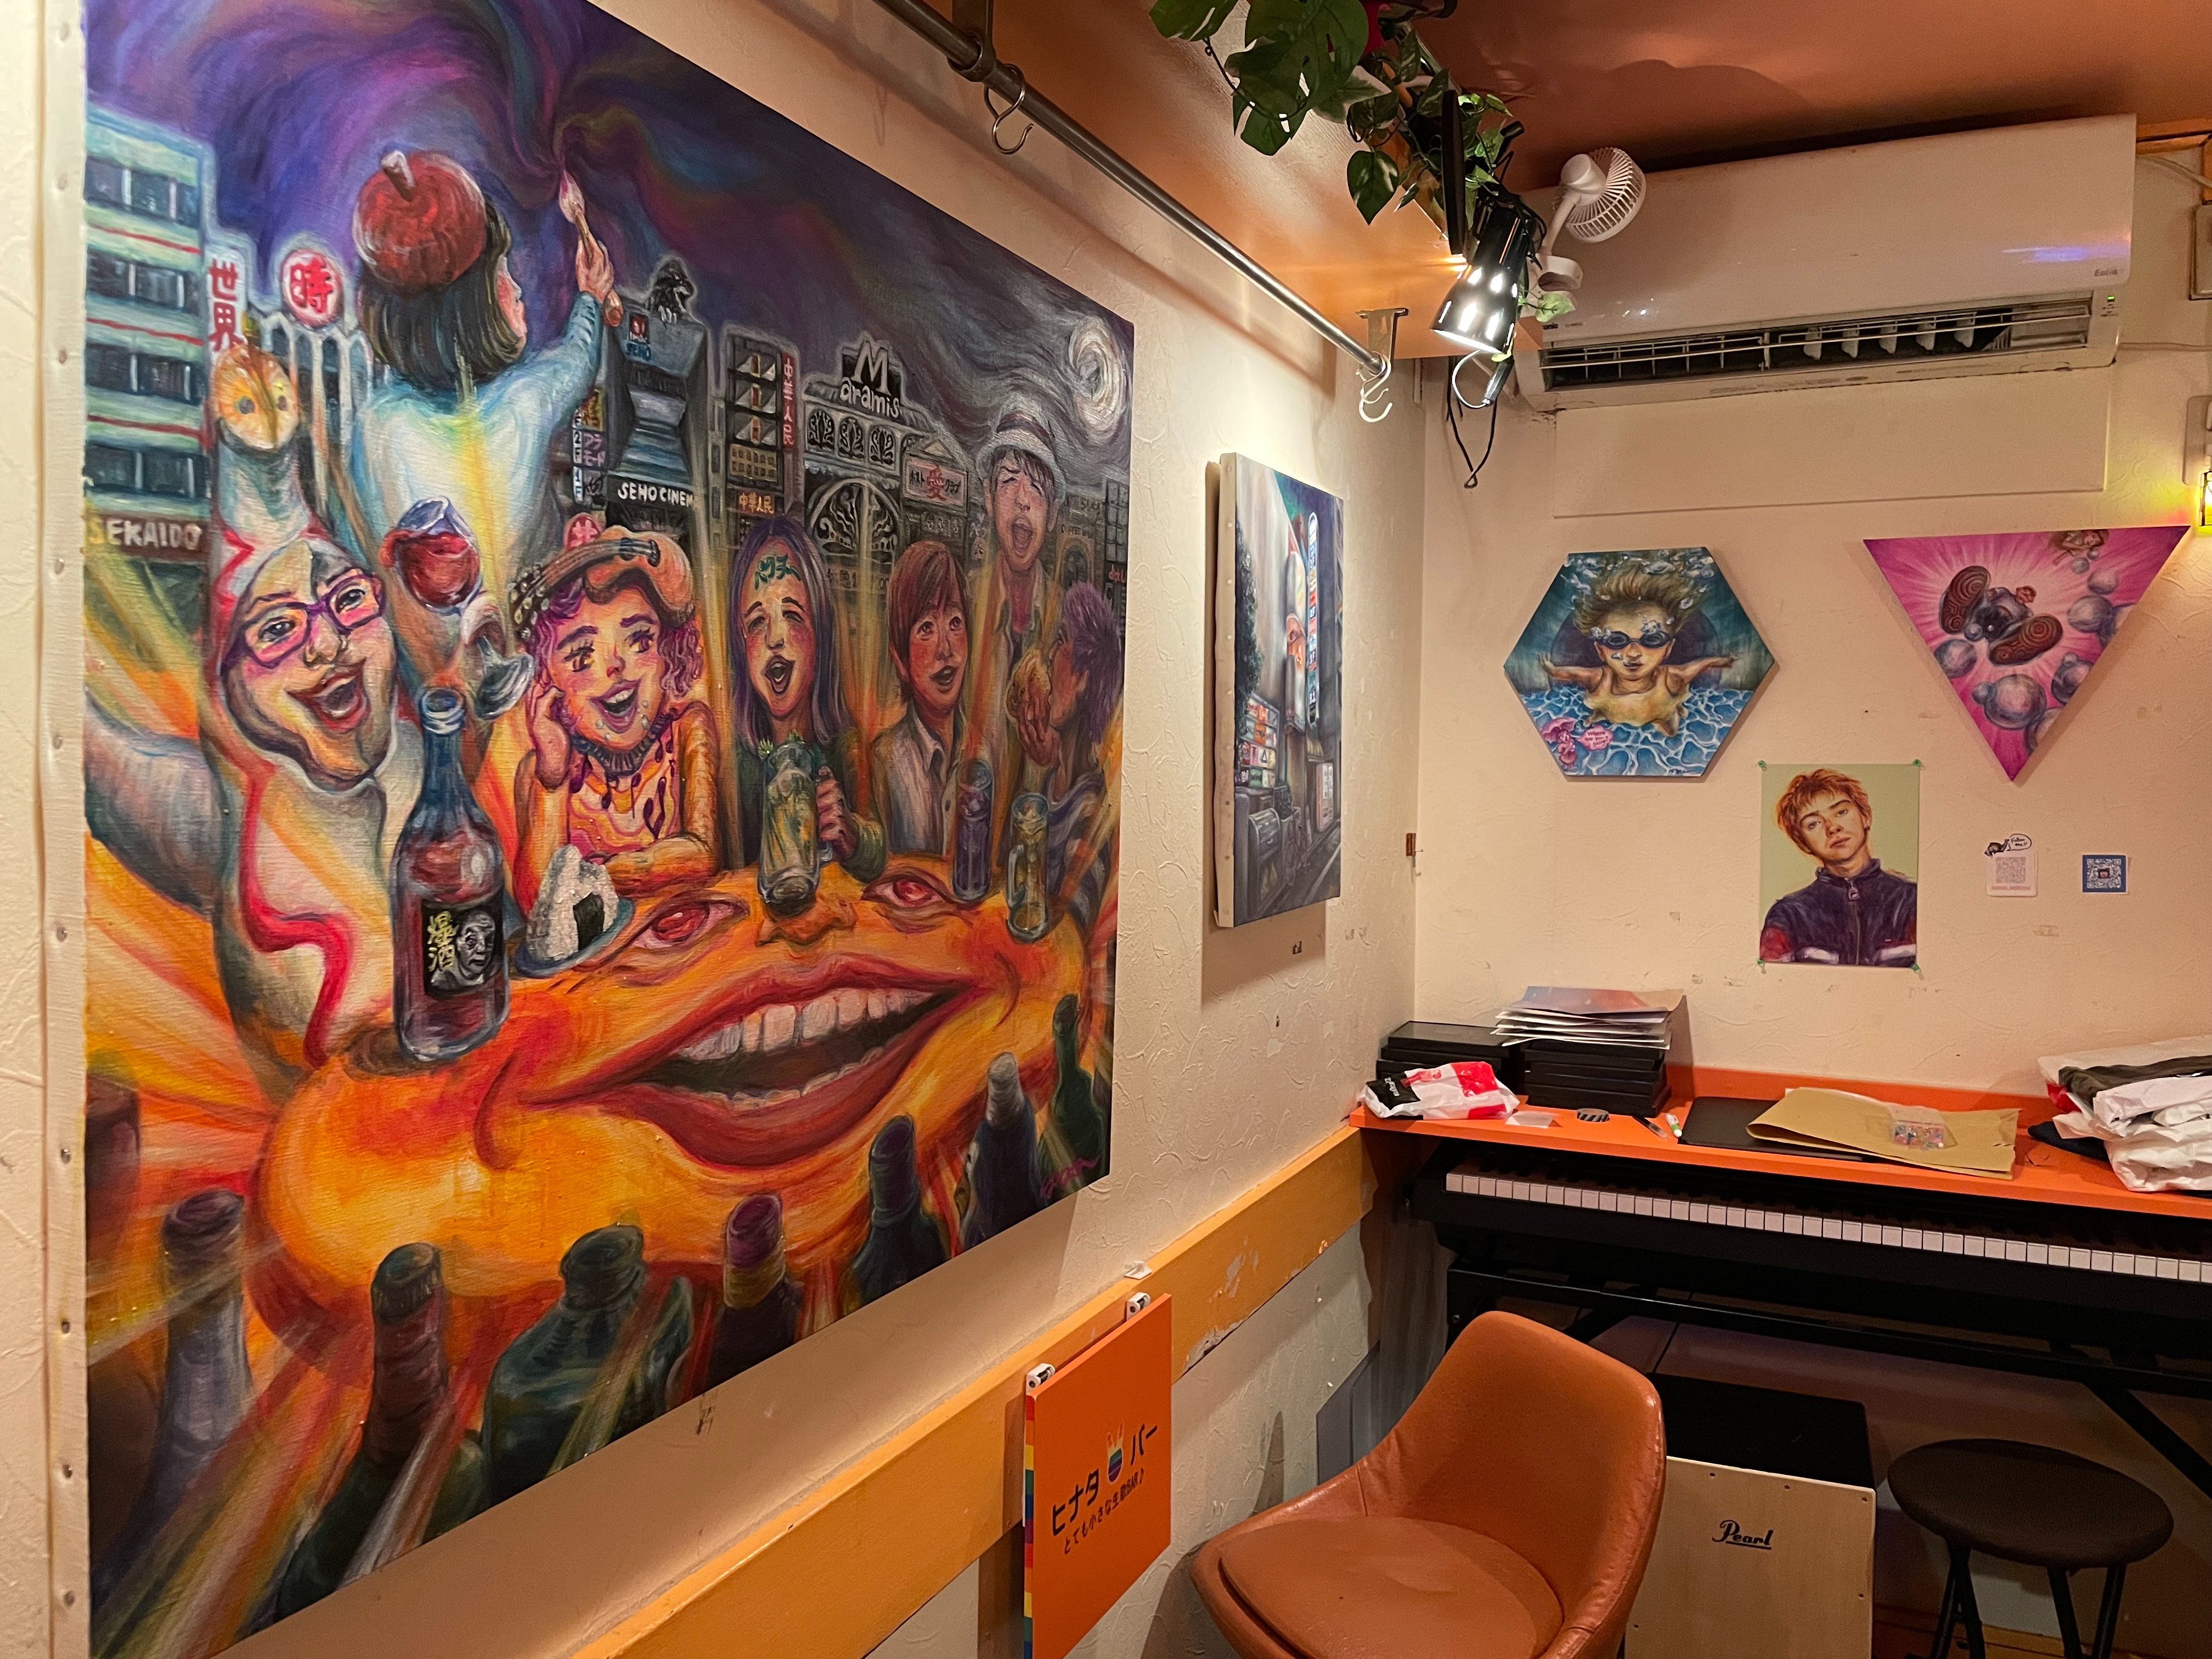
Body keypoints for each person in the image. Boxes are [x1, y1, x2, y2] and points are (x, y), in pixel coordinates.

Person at [85, 344, 419, 1086]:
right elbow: (94, 755)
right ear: (228, 682)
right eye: (277, 629)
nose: (328, 643)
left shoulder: (428, 761)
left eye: (348, 601)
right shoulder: (221, 813)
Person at [346, 150, 615, 710]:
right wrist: (590, 295)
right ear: (470, 310)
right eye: (502, 275)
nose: (518, 290)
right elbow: (579, 359)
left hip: (421, 699)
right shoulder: (524, 403)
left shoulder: (375, 425)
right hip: (540, 683)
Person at [510, 529, 718, 909]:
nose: (615, 666)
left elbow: (702, 854)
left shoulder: (688, 730)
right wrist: (553, 779)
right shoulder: (541, 774)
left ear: (670, 651)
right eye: (582, 657)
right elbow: (538, 906)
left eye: (639, 640)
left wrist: (594, 876)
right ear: (547, 681)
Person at [726, 517, 884, 882]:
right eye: (757, 622)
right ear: (740, 647)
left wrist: (852, 835)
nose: (775, 638)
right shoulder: (737, 765)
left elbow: (878, 848)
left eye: (792, 615)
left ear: (820, 632)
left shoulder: (844, 748)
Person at [1012, 582, 1121, 934]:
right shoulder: (1052, 783)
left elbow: (1068, 940)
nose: (1048, 655)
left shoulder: (1089, 811)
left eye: (1061, 641)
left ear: (1083, 680)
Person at [1541, 562, 1732, 736]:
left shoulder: (1670, 679)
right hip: (1610, 723)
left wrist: (1722, 661)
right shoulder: (1601, 680)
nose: (1633, 653)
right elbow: (1573, 674)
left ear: (1668, 649)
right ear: (1600, 650)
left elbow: (1700, 666)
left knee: (1671, 733)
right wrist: (1553, 670)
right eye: (1616, 640)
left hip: (1662, 720)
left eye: (1652, 639)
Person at [1760, 769, 1917, 968]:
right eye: (1813, 823)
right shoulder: (1788, 916)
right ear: (1803, 843)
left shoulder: (1912, 901)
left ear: (1865, 816)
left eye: (1841, 812)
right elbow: (1772, 981)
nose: (1832, 827)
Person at [872, 540, 969, 856]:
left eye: (955, 623)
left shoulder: (985, 754)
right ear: (900, 659)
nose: (945, 649)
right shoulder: (885, 762)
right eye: (926, 628)